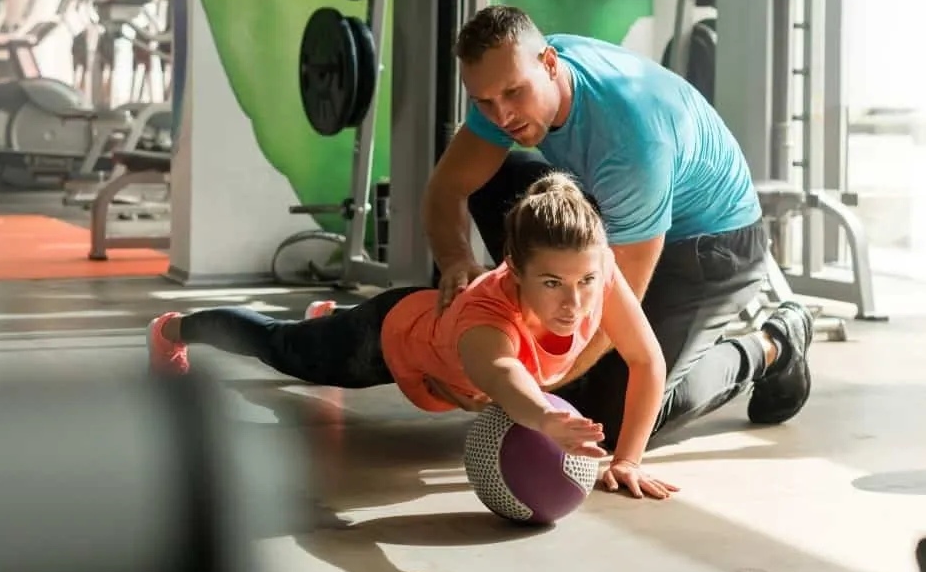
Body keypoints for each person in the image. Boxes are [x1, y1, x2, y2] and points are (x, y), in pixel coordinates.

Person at [423, 5, 814, 452]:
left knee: (611, 417)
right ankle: (528, 325)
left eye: (513, 94)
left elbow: (613, 313)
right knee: (497, 180)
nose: (502, 116)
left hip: (711, 246)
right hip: (621, 219)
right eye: (485, 102)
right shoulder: (508, 81)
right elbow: (447, 188)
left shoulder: (631, 147)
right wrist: (457, 260)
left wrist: (523, 387)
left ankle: (771, 347)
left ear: (550, 64)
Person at [149, 174, 679, 500]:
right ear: (513, 269)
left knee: (313, 334)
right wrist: (543, 417)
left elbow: (646, 360)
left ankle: (330, 315)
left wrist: (629, 458)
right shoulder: (485, 313)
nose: (576, 302)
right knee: (281, 345)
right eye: (552, 283)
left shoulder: (599, 270)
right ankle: (176, 327)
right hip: (386, 338)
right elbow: (501, 374)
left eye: (587, 281)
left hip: (429, 335)